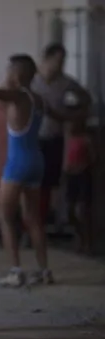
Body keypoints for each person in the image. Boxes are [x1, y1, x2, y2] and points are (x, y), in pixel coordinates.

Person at [0, 54, 53, 287]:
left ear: (17, 75)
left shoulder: (19, 96)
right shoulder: (37, 99)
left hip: (18, 163)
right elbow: (3, 102)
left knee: (5, 216)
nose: (6, 75)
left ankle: (16, 271)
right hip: (36, 162)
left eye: (9, 71)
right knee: (33, 219)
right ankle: (44, 270)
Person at [32, 43, 91, 228]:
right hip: (33, 138)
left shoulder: (66, 82)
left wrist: (71, 115)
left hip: (54, 137)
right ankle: (32, 224)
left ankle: (47, 222)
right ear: (46, 59)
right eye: (58, 60)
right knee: (32, 182)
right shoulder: (33, 81)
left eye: (63, 61)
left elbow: (86, 99)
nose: (60, 65)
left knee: (50, 183)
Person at [63, 100, 96, 255]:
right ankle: (79, 237)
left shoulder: (86, 139)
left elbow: (94, 159)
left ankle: (88, 242)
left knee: (82, 211)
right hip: (70, 176)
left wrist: (83, 166)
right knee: (70, 211)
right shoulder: (68, 137)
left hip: (83, 175)